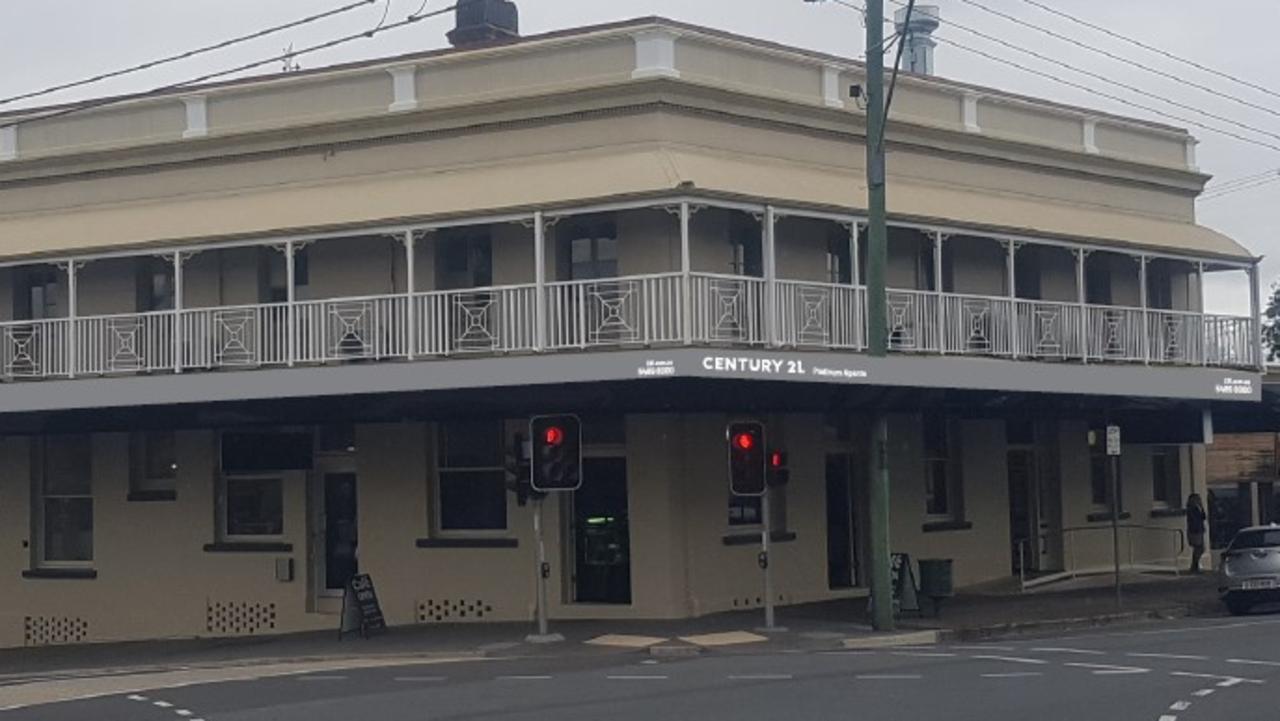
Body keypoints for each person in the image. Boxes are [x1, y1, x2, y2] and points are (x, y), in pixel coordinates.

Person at [1186, 493, 1207, 574]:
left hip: (1199, 530)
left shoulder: (1198, 508)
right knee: (1198, 548)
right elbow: (1193, 521)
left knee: (1200, 548)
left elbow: (1204, 517)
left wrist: (1202, 508)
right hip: (1195, 531)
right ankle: (1195, 566)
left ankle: (1195, 565)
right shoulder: (1191, 509)